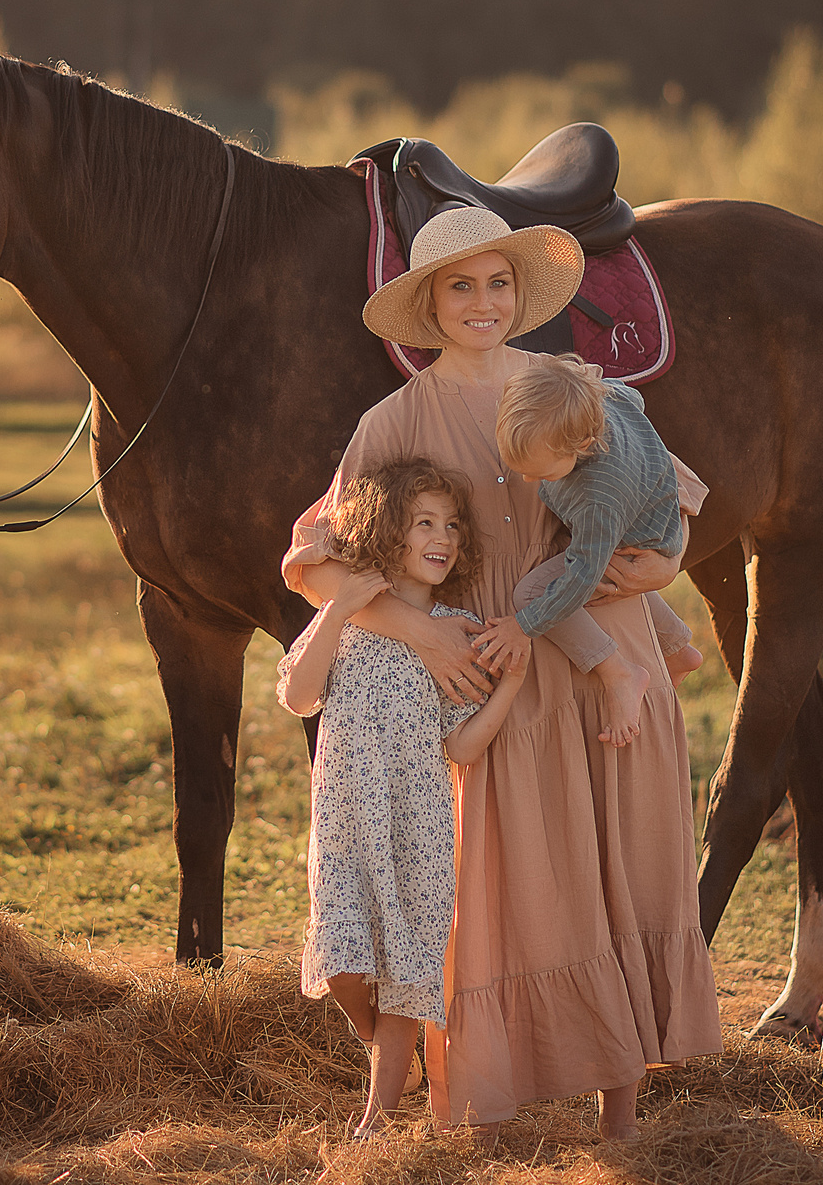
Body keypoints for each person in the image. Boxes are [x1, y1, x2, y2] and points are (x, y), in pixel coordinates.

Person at [283, 205, 720, 1144]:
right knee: (517, 888)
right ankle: (497, 1095)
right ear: (430, 303)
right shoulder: (394, 419)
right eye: (460, 285)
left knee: (614, 875)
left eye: (498, 283)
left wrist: (664, 567)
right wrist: (424, 635)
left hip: (601, 661)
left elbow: (666, 510)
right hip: (490, 678)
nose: (483, 302)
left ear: (520, 296)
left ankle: (621, 1120)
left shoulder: (569, 386)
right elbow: (319, 562)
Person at [275, 457, 531, 1140]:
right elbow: (298, 694)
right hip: (345, 823)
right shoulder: (355, 620)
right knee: (345, 962)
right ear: (388, 532)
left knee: (409, 972)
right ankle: (375, 1040)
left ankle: (377, 1117)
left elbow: (464, 746)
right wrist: (339, 606)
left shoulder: (455, 628)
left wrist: (509, 685)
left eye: (450, 524)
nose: (440, 536)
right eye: (423, 522)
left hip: (418, 829)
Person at [476, 357, 704, 746]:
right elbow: (635, 399)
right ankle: (679, 650)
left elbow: (581, 578)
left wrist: (523, 625)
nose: (530, 480)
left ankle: (620, 673)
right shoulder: (602, 396)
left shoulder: (598, 503)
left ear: (582, 444)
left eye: (542, 474)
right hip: (650, 504)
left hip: (638, 538)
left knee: (530, 593)